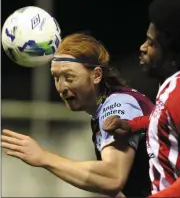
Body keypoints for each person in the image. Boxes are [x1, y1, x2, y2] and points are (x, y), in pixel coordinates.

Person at [1, 33, 155, 197]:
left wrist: (44, 157)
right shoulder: (103, 108)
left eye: (69, 77)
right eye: (56, 78)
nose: (61, 87)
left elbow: (113, 177)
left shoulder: (119, 105)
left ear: (96, 75)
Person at [102, 0, 180, 198]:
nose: (142, 48)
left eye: (151, 44)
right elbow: (168, 119)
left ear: (173, 59)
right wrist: (132, 125)